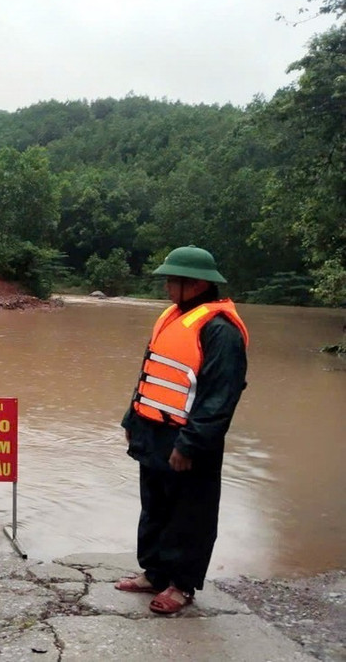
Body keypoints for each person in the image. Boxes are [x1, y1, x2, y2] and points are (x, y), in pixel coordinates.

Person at [115, 245, 249, 614]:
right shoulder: (172, 317)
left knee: (189, 514)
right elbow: (151, 372)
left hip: (189, 440)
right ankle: (155, 573)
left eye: (173, 280)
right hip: (153, 432)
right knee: (155, 506)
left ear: (197, 285)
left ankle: (181, 584)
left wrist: (190, 445)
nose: (167, 287)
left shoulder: (221, 332)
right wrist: (132, 419)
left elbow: (219, 398)